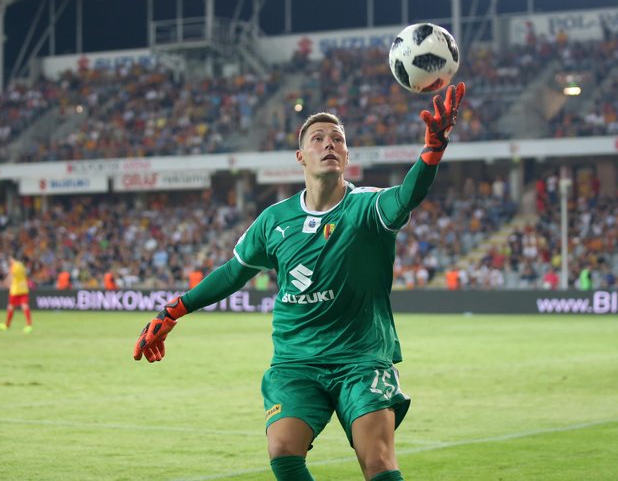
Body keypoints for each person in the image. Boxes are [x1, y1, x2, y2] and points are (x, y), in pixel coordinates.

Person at [133, 83, 466, 481]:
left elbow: (409, 195)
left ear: (346, 155)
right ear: (300, 156)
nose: (329, 144)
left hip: (360, 359)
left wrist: (432, 149)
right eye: (318, 138)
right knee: (283, 450)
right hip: (296, 361)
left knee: (376, 459)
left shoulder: (367, 207)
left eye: (337, 139)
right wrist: (173, 311)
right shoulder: (274, 220)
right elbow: (232, 272)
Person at [0, 256, 33, 333]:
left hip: (15, 290)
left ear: (12, 258)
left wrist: (4, 283)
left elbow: (11, 276)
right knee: (24, 306)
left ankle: (7, 325)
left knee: (11, 307)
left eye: (10, 259)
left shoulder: (15, 265)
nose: (9, 260)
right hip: (23, 288)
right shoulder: (22, 266)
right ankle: (29, 325)